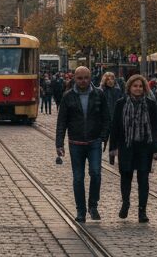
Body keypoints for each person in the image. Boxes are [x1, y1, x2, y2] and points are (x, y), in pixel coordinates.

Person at [55, 66, 109, 222]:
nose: (83, 81)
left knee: (96, 173)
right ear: (74, 78)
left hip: (94, 141)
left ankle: (93, 206)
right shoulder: (68, 96)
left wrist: (104, 136)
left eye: (86, 77)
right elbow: (62, 122)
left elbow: (106, 117)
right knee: (78, 177)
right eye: (80, 78)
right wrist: (59, 143)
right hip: (76, 142)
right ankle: (81, 210)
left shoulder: (99, 94)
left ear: (90, 77)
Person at [108, 74, 157, 222]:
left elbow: (154, 128)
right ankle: (125, 203)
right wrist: (113, 149)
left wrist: (156, 149)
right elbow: (115, 127)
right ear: (129, 87)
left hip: (144, 146)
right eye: (135, 86)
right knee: (126, 177)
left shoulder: (150, 104)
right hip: (126, 146)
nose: (137, 89)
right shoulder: (121, 103)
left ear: (144, 88)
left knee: (143, 179)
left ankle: (142, 211)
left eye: (140, 86)